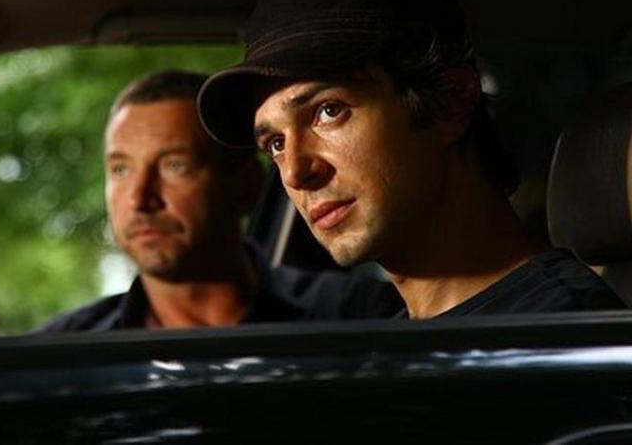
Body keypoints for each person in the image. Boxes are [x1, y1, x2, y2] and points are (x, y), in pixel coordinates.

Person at [198, 0, 626, 319]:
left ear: (450, 102)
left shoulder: (559, 343)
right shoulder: (406, 337)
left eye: (329, 111)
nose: (294, 171)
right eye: (275, 143)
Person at [38, 69, 403, 331]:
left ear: (246, 185)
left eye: (174, 166)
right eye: (120, 170)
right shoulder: (62, 354)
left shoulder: (361, 317)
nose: (139, 198)